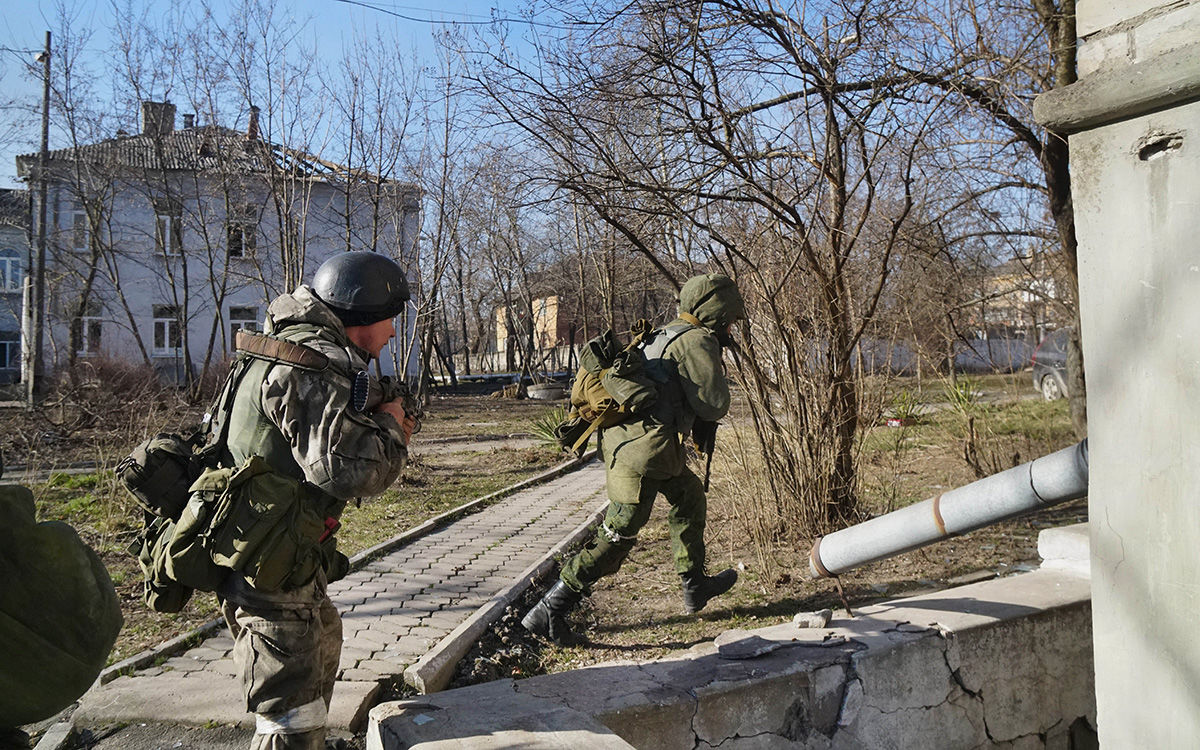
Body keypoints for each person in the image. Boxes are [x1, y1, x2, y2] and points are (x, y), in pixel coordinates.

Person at [217, 251, 416, 750]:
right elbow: (350, 471)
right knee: (291, 714)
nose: (393, 332)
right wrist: (392, 425)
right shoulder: (306, 364)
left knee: (321, 641)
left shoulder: (298, 350)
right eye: (389, 319)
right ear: (364, 318)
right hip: (268, 565)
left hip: (278, 550)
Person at [522, 272, 745, 645]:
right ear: (717, 313)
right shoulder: (698, 340)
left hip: (640, 448)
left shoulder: (663, 332)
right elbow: (714, 404)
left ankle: (695, 584)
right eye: (730, 319)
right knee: (617, 537)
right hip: (646, 458)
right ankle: (549, 610)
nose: (731, 326)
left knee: (689, 497)